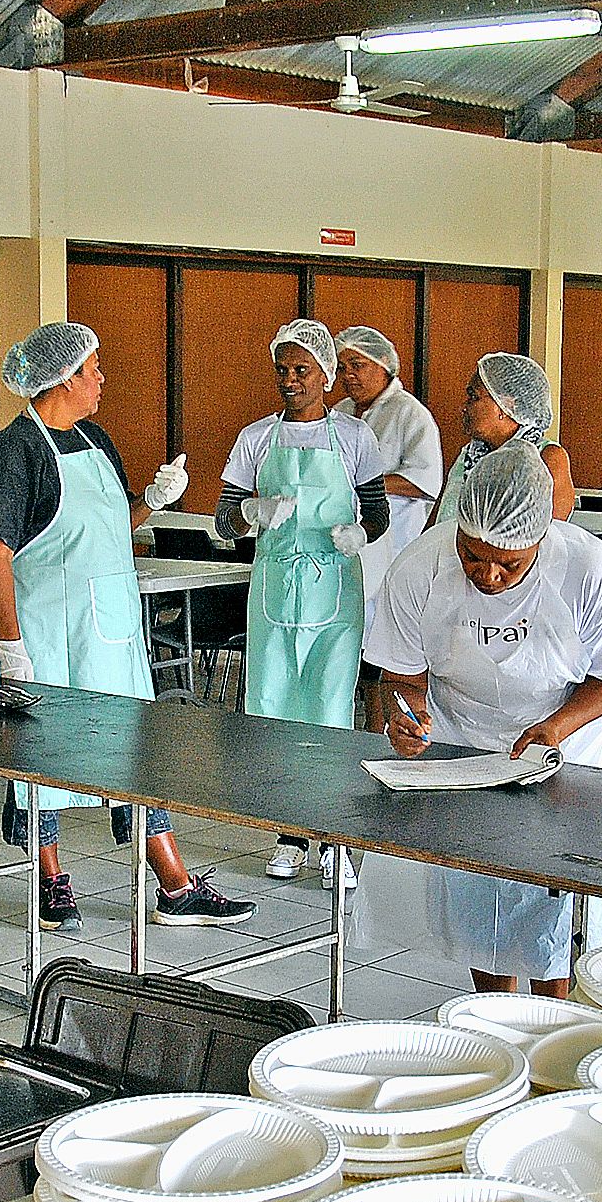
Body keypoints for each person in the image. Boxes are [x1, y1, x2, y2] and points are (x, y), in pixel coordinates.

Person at [0, 319, 253, 931]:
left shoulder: (96, 439)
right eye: (93, 369)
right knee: (45, 758)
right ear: (64, 378)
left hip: (114, 633)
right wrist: (10, 644)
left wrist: (154, 499)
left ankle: (174, 885)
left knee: (133, 754)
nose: (102, 379)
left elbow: (110, 530)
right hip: (49, 635)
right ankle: (52, 883)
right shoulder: (15, 451)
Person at [358, 441, 602, 997]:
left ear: (541, 538)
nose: (488, 574)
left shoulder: (590, 570)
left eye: (509, 563)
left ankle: (550, 1016)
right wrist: (406, 714)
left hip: (568, 738)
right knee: (476, 886)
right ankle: (494, 1007)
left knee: (553, 892)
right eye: (472, 555)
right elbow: (401, 673)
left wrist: (556, 728)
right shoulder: (419, 566)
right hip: (463, 736)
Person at [217, 318, 394, 883]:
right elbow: (224, 520)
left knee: (330, 708)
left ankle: (336, 837)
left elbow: (379, 512)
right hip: (273, 595)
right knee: (273, 709)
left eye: (302, 370)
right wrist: (252, 514)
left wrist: (360, 536)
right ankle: (290, 834)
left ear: (325, 376)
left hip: (335, 595)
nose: (290, 380)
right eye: (283, 371)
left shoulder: (355, 439)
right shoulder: (255, 439)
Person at [332, 325, 445, 580]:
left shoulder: (409, 413)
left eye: (357, 365)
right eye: (342, 368)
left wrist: (362, 485)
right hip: (343, 542)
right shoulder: (339, 412)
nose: (348, 375)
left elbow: (425, 482)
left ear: (383, 363)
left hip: (393, 546)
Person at [437, 351, 577, 531]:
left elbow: (551, 535)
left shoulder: (547, 457)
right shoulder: (470, 455)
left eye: (474, 397)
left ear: (506, 405)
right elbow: (438, 518)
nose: (464, 407)